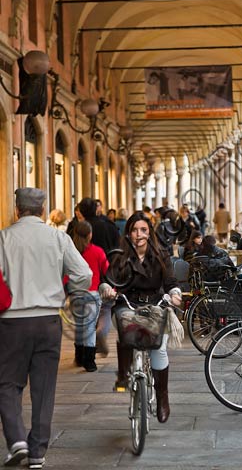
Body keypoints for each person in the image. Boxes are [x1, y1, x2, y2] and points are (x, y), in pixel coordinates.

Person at [0, 188, 92, 469]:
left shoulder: (4, 238)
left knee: (7, 383)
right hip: (48, 321)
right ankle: (38, 452)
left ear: (17, 210)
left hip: (12, 322)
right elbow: (84, 274)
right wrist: (68, 293)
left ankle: (16, 440)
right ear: (42, 210)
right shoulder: (58, 237)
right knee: (43, 387)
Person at [107, 211, 182, 424]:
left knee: (158, 349)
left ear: (149, 233)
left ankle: (162, 398)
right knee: (124, 328)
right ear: (128, 233)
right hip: (128, 303)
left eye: (143, 230)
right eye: (134, 230)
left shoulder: (161, 254)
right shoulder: (119, 255)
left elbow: (170, 281)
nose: (138, 234)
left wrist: (175, 293)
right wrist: (107, 289)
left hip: (155, 305)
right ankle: (123, 374)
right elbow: (111, 279)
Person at [72, 221, 110, 371]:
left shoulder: (72, 251)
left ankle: (79, 356)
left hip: (75, 293)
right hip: (92, 293)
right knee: (89, 327)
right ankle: (89, 360)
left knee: (79, 326)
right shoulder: (97, 251)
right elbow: (106, 270)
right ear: (90, 235)